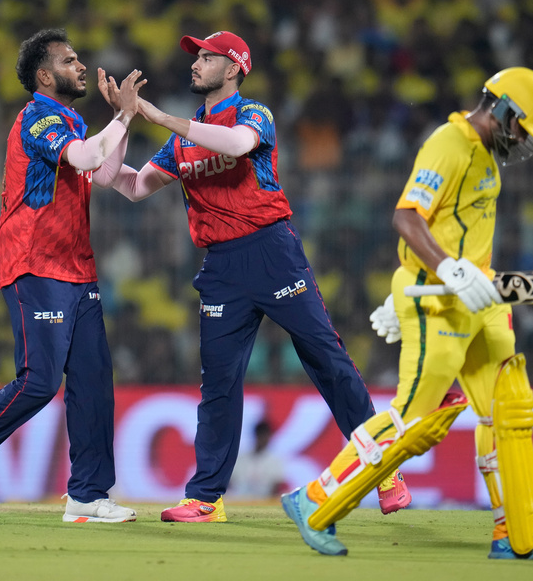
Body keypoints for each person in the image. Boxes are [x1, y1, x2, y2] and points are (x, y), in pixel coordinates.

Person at [102, 31, 408, 522]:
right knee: (219, 384)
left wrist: (160, 117)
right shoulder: (182, 140)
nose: (196, 64)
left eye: (208, 57)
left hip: (271, 252)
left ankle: (385, 469)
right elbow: (130, 185)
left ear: (234, 68)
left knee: (325, 358)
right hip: (221, 267)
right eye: (196, 57)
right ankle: (205, 498)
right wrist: (122, 120)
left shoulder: (253, 114)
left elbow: (239, 144)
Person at [282, 67, 533, 560]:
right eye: (521, 128)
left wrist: (460, 273)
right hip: (441, 296)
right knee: (416, 418)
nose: (521, 140)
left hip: (479, 296)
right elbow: (407, 217)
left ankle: (516, 533)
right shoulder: (450, 143)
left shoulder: (484, 153)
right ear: (503, 108)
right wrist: (441, 273)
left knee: (507, 407)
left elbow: (457, 229)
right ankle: (314, 499)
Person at [0, 28, 144, 522]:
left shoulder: (71, 119)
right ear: (44, 76)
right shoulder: (37, 117)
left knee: (93, 381)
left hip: (76, 267)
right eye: (69, 61)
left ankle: (87, 495)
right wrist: (124, 115)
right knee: (40, 381)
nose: (81, 66)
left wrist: (121, 119)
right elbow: (87, 157)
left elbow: (105, 174)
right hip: (35, 263)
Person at [228, 420, 286, 499]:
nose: (264, 439)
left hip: (265, 502)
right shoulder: (241, 459)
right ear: (256, 435)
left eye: (266, 436)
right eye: (262, 436)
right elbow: (230, 483)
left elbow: (276, 486)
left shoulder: (275, 461)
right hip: (240, 501)